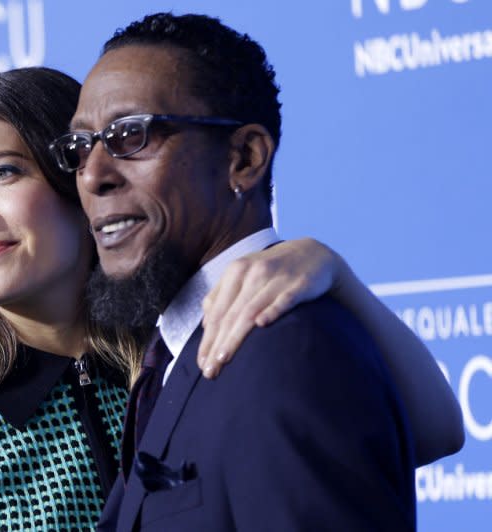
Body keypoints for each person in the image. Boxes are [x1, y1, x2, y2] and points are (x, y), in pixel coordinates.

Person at [0, 66, 458, 530]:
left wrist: (335, 274)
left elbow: (433, 433)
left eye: (3, 172)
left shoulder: (188, 354)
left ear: (83, 181)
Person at [49, 13, 463, 531]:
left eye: (131, 135)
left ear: (244, 158)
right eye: (80, 147)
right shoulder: (170, 355)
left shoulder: (285, 353)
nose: (93, 174)